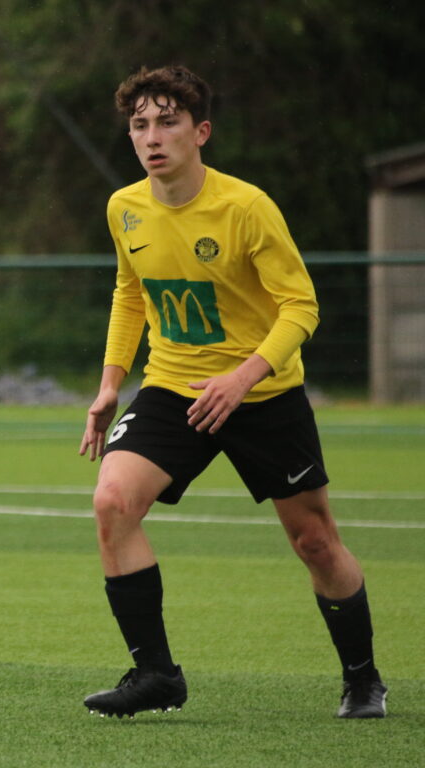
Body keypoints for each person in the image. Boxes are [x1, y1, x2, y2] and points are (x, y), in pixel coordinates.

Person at [78, 65, 386, 719]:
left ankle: (363, 680)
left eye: (168, 122)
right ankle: (156, 675)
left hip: (264, 395)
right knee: (112, 502)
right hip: (172, 388)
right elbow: (130, 294)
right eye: (139, 125)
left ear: (201, 132)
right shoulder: (122, 207)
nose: (152, 137)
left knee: (314, 541)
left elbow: (301, 307)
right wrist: (110, 385)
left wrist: (244, 376)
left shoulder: (246, 208)